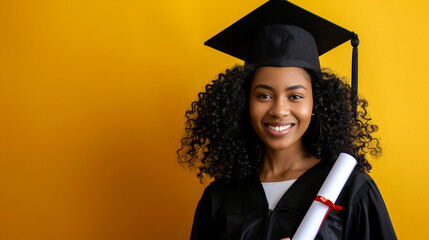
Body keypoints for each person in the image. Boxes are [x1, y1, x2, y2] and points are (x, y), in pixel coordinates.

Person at [177, 0, 397, 239]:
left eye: (295, 96)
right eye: (264, 95)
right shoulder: (219, 198)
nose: (279, 110)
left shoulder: (351, 190)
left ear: (316, 104)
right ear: (244, 103)